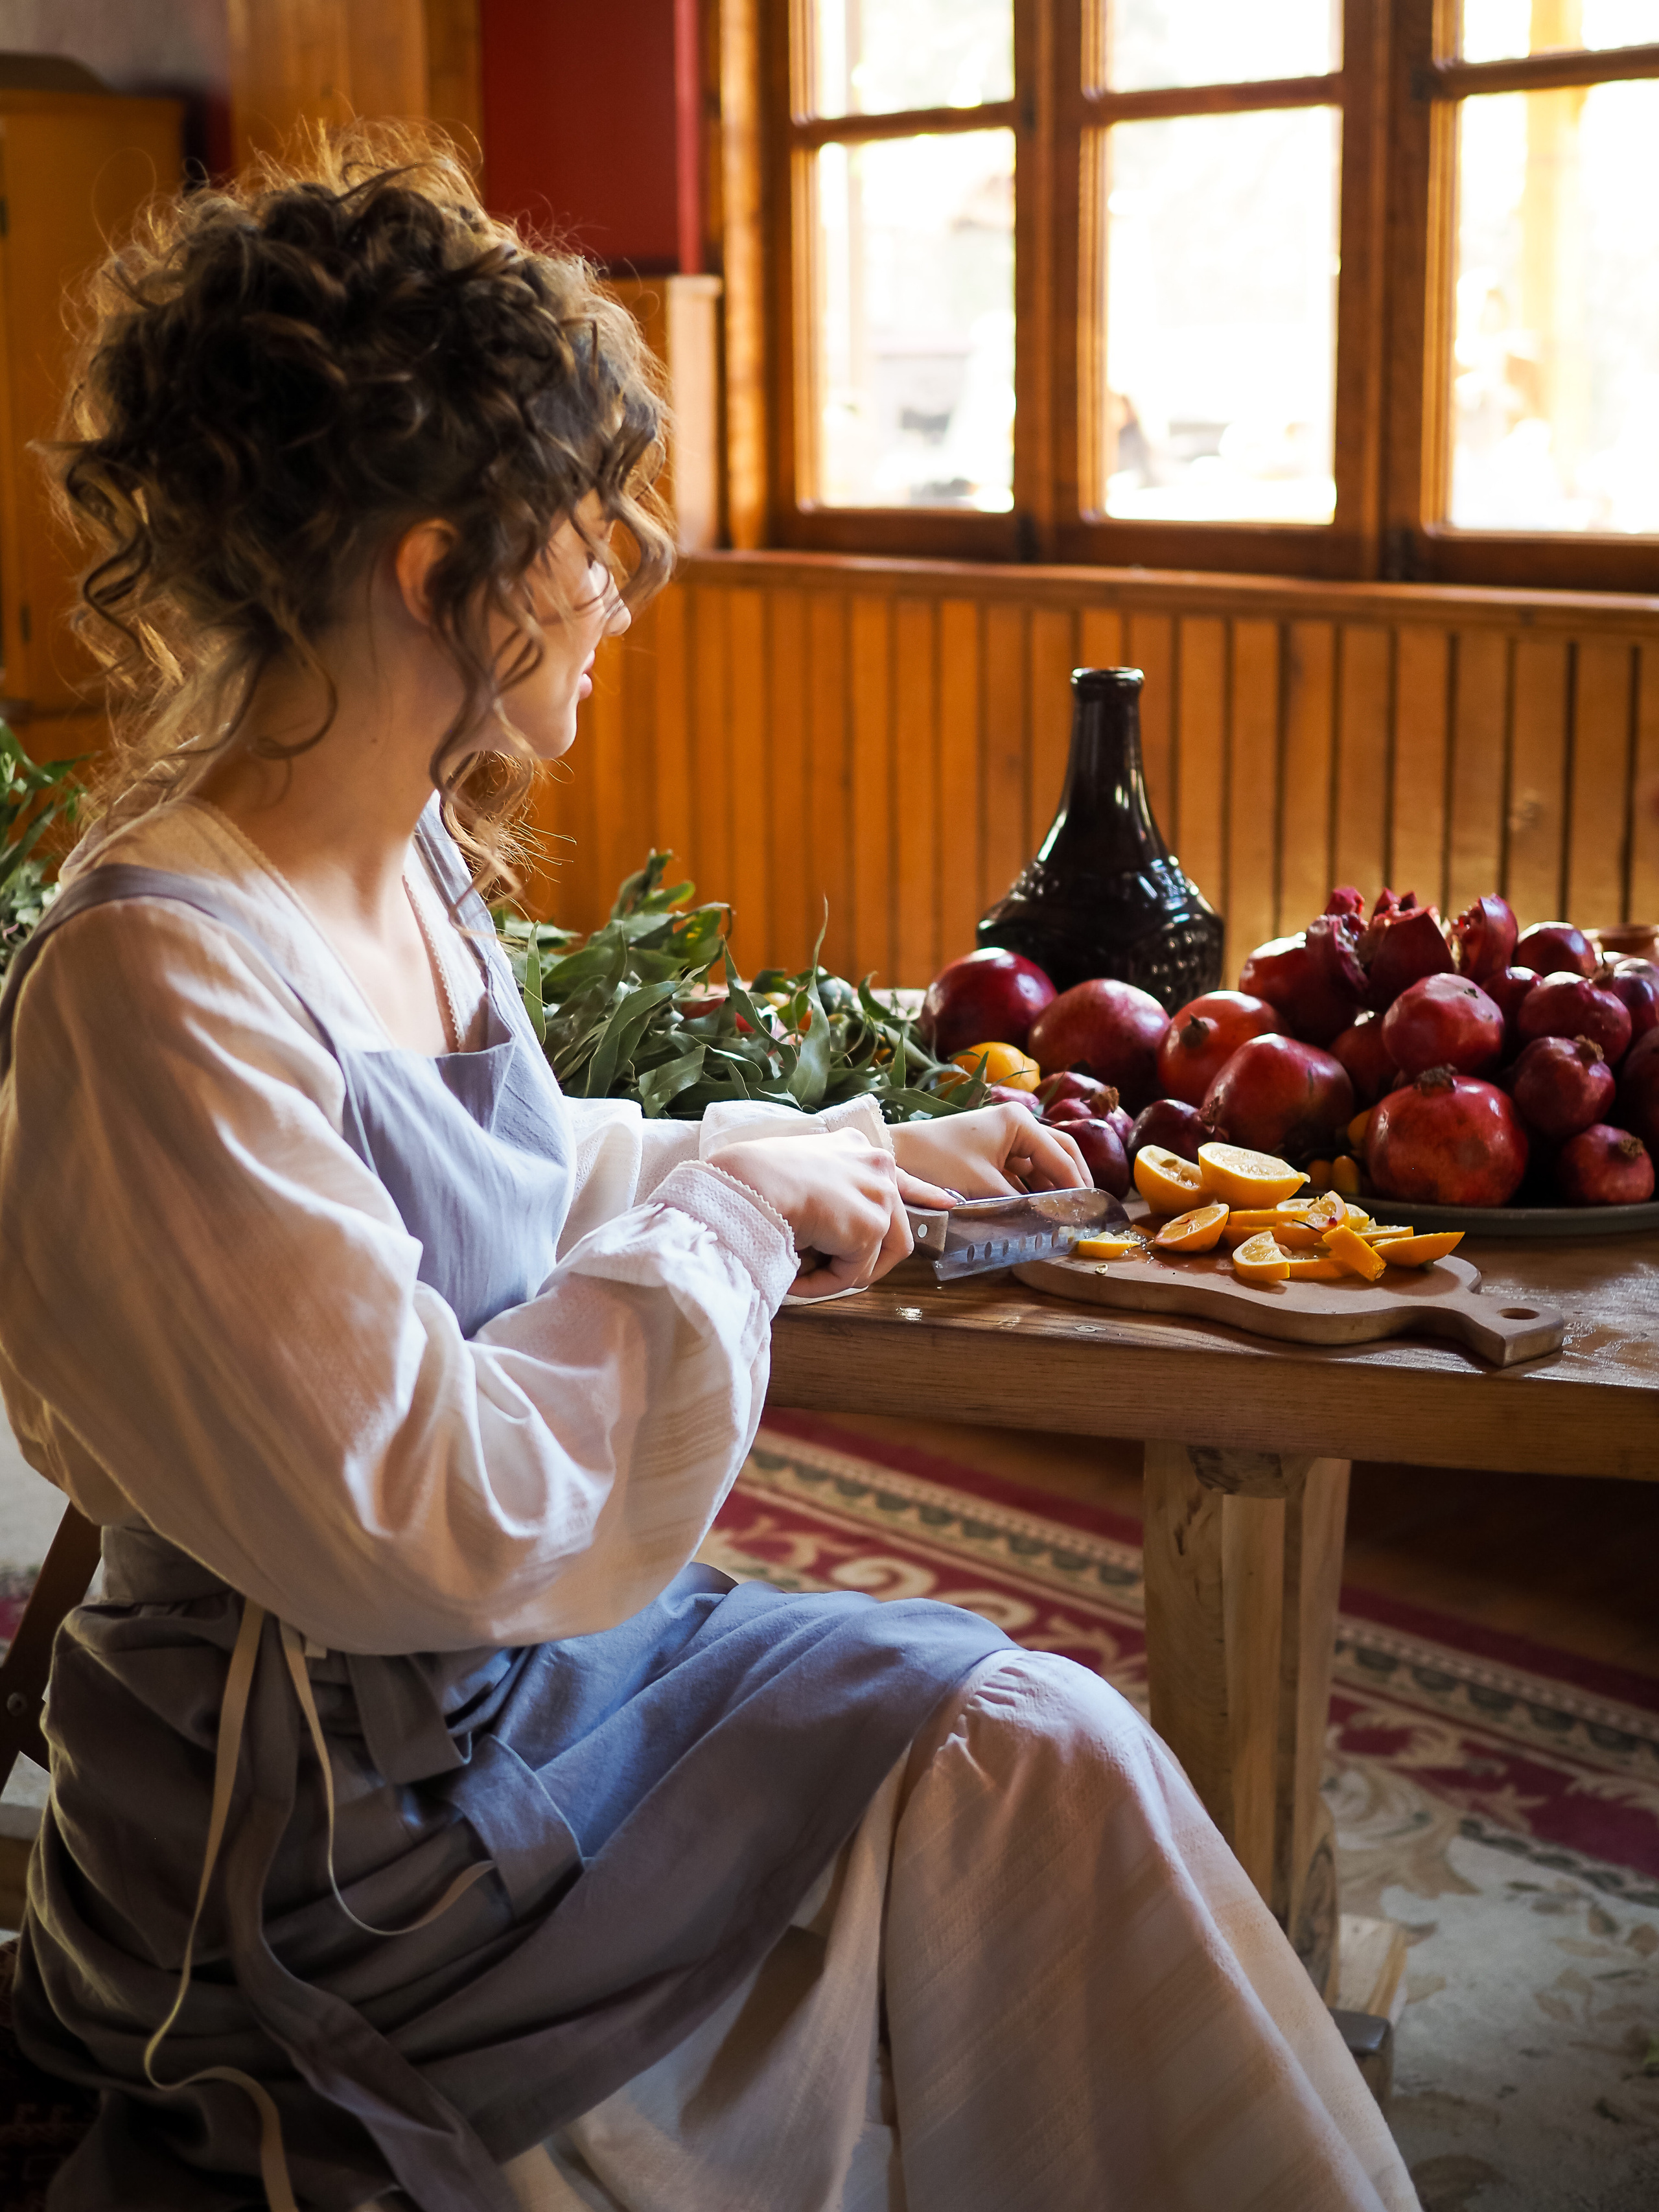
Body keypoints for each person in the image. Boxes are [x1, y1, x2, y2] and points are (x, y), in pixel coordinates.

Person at [0, 129, 1419, 2212]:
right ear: (437, 570)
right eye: (587, 534)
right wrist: (737, 1217)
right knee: (1002, 1778)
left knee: (1035, 1745)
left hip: (518, 1696)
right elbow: (431, 1513)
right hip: (323, 1853)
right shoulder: (153, 980)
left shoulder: (398, 859)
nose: (619, 584)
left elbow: (509, 1185)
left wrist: (846, 1151)